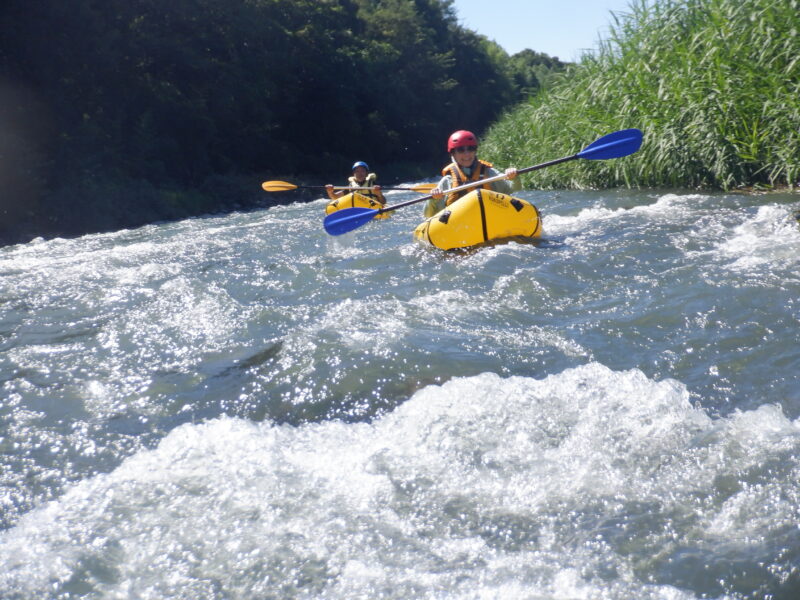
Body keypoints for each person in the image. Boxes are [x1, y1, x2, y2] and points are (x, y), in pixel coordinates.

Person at [425, 130, 519, 218]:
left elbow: (514, 189)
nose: (467, 154)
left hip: (490, 218)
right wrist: (433, 199)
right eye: (461, 150)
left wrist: (513, 177)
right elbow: (428, 214)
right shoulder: (448, 181)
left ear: (475, 151)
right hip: (459, 225)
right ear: (453, 154)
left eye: (470, 149)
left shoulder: (490, 173)